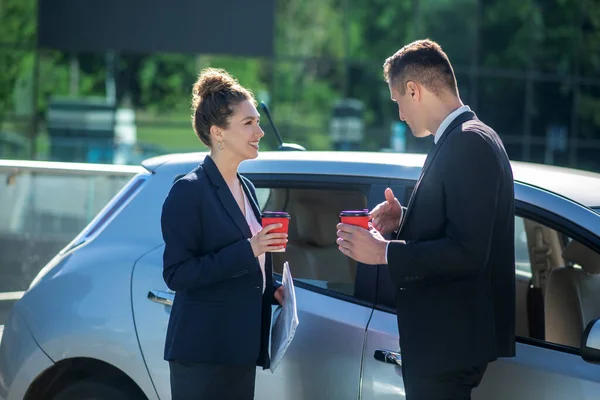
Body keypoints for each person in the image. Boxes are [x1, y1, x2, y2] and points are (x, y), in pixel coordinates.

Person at [336, 39, 516, 399]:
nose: (400, 114)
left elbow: (467, 251)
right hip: (444, 345)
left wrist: (383, 252)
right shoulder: (465, 137)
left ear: (413, 90)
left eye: (398, 102)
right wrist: (403, 218)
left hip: (446, 347)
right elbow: (463, 225)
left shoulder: (467, 142)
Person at [160, 67, 286, 400]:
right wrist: (251, 247)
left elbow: (245, 265)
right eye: (249, 123)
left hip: (239, 351)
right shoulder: (188, 191)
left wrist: (272, 289)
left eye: (258, 121)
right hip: (203, 355)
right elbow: (177, 273)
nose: (259, 131)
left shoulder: (245, 186)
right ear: (218, 133)